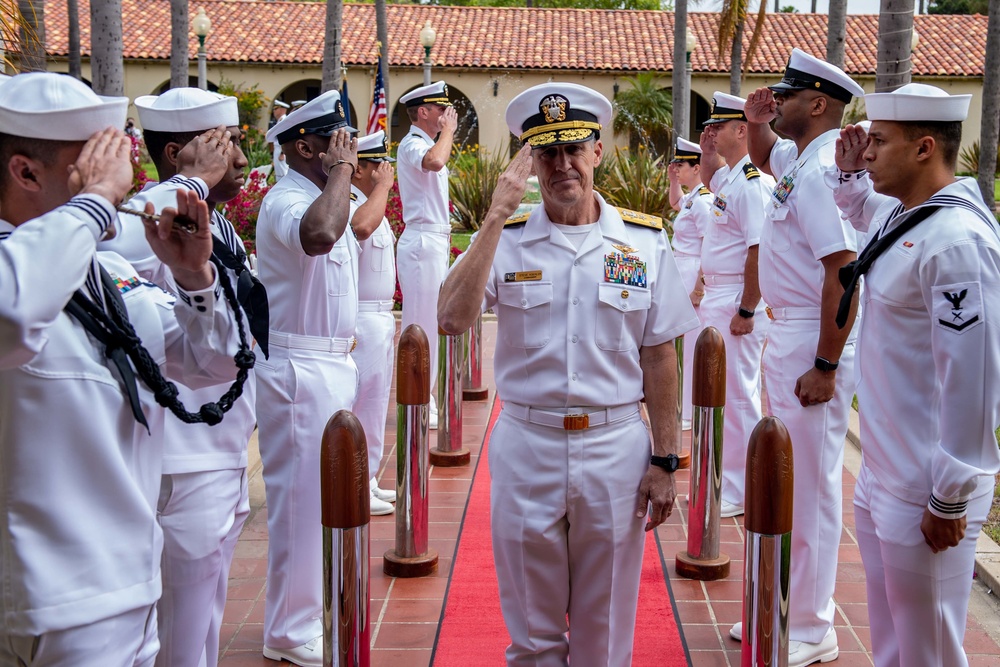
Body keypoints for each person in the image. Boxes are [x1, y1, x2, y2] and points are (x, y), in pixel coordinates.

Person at [438, 82, 699, 666]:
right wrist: (493, 217)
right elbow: (451, 320)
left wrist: (665, 459)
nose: (562, 165)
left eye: (574, 148)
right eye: (546, 153)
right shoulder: (505, 242)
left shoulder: (643, 242)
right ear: (530, 160)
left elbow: (659, 354)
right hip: (528, 444)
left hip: (615, 448)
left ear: (597, 151)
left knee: (605, 634)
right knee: (532, 631)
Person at [0, 72, 241, 665]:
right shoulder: (22, 274)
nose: (120, 181)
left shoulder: (102, 275)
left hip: (130, 583)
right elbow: (13, 313)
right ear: (26, 173)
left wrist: (193, 280)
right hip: (54, 598)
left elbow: (209, 363)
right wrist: (92, 204)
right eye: (95, 164)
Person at [833, 83, 1000, 667]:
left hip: (926, 484)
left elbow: (974, 377)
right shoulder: (910, 215)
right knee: (895, 645)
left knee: (927, 650)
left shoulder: (957, 241)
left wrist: (950, 494)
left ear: (925, 147)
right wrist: (852, 173)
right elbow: (862, 214)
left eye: (878, 141)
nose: (868, 151)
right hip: (887, 471)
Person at [102, 87, 259, 667]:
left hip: (222, 447)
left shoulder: (218, 224)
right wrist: (189, 185)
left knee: (203, 627)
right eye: (227, 145)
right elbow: (108, 238)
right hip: (182, 461)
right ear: (177, 156)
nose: (242, 160)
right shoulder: (148, 216)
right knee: (178, 637)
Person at [725, 48, 867, 666]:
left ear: (818, 104)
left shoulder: (816, 174)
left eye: (785, 96)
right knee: (785, 478)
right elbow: (762, 155)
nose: (774, 101)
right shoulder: (801, 160)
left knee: (809, 487)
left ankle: (812, 622)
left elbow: (844, 270)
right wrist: (758, 121)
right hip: (789, 335)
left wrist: (827, 366)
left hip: (812, 338)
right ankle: (779, 602)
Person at [255, 90, 358, 667]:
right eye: (334, 141)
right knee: (298, 504)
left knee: (322, 497)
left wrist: (340, 176)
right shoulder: (285, 201)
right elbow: (318, 235)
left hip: (329, 362)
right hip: (297, 368)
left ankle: (306, 614)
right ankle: (289, 631)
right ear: (304, 146)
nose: (345, 150)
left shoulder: (322, 194)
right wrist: (343, 173)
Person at [697, 92, 774, 517]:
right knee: (722, 396)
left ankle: (742, 490)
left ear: (742, 130)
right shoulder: (730, 179)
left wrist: (747, 310)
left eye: (718, 127)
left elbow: (758, 251)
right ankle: (729, 482)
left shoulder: (753, 186)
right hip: (719, 296)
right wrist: (709, 149)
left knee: (740, 398)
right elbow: (709, 182)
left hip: (736, 302)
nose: (710, 133)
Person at [396, 81, 459, 428]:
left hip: (432, 240)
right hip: (422, 241)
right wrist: (446, 132)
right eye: (440, 110)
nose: (445, 116)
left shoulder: (422, 143)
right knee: (418, 324)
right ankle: (419, 395)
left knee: (428, 323)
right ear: (423, 112)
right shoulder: (413, 144)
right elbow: (435, 162)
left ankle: (425, 393)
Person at [347, 130, 399, 516]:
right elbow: (360, 229)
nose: (387, 171)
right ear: (360, 169)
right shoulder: (352, 204)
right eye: (379, 165)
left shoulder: (370, 202)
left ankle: (369, 480)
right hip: (361, 318)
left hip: (381, 316)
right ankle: (353, 482)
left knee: (377, 403)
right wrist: (380, 189)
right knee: (360, 401)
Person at [666, 137, 711, 429]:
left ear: (697, 168)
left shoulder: (705, 201)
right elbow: (674, 202)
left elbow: (710, 244)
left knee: (692, 342)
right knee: (680, 341)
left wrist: (699, 288)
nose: (676, 169)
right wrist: (673, 180)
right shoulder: (693, 197)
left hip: (693, 270)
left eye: (680, 165)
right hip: (681, 270)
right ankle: (681, 407)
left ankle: (688, 413)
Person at [270, 100, 290, 180]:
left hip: (281, 150)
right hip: (278, 149)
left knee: (283, 172)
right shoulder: (280, 121)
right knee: (279, 173)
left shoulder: (283, 121)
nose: (274, 111)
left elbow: (285, 138)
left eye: (276, 109)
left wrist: (282, 153)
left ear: (282, 110)